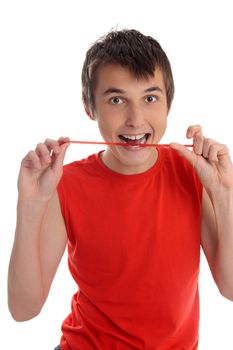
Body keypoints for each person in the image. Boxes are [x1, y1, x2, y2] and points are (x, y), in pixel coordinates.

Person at [8, 29, 233, 350]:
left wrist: (224, 193)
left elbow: (231, 288)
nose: (135, 119)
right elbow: (23, 310)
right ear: (89, 106)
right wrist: (29, 207)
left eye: (150, 98)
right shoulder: (64, 184)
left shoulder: (194, 174)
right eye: (117, 100)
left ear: (168, 104)